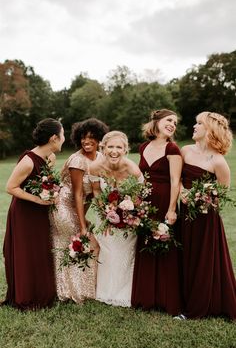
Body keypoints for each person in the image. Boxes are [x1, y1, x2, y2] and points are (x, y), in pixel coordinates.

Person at [178, 111, 236, 320]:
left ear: (210, 130)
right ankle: (180, 299)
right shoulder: (184, 151)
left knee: (203, 261)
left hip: (206, 220)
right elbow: (175, 178)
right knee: (185, 257)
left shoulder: (219, 162)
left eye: (199, 123)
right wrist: (184, 193)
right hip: (184, 214)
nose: (194, 126)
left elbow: (221, 196)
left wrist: (202, 199)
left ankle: (199, 305)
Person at [2, 118, 65, 310]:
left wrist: (52, 193)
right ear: (54, 138)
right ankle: (26, 296)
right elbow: (10, 187)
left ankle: (41, 293)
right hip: (24, 213)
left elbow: (44, 183)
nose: (64, 139)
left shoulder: (49, 158)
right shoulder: (29, 160)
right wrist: (39, 200)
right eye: (62, 135)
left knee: (39, 251)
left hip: (38, 213)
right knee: (26, 253)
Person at [50, 118, 109, 303]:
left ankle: (79, 290)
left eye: (91, 137)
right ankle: (69, 292)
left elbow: (92, 194)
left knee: (80, 247)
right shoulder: (77, 160)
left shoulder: (100, 158)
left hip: (78, 207)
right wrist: (82, 225)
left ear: (99, 139)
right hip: (63, 207)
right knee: (81, 244)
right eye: (83, 137)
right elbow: (77, 194)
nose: (86, 141)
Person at [131, 109, 183, 316]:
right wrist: (135, 200)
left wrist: (171, 209)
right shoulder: (143, 147)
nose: (173, 124)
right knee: (145, 244)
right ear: (157, 121)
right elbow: (139, 176)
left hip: (164, 201)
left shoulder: (172, 148)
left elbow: (175, 181)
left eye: (175, 123)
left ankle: (167, 298)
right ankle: (146, 297)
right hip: (145, 202)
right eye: (169, 120)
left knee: (164, 245)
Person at [89, 131, 143, 307]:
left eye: (119, 147)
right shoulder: (95, 167)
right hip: (105, 215)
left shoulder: (132, 169)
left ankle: (126, 293)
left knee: (125, 252)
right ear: (103, 148)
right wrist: (105, 215)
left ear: (125, 149)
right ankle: (106, 292)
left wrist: (126, 214)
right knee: (109, 250)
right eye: (110, 147)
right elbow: (96, 192)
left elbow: (139, 196)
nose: (114, 151)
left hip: (129, 216)